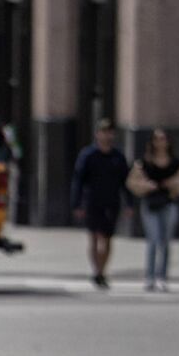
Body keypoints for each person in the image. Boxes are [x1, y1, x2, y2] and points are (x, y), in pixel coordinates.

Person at [126, 128, 179, 291]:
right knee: (153, 239)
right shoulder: (144, 162)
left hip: (169, 203)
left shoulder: (175, 163)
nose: (160, 142)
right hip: (151, 203)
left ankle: (162, 276)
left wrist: (172, 184)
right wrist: (146, 186)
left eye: (163, 139)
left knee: (166, 241)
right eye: (157, 139)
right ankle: (150, 276)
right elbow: (132, 182)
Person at [70, 118, 129, 288]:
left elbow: (125, 181)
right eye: (103, 132)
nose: (106, 135)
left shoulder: (118, 156)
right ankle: (96, 271)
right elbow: (78, 180)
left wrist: (129, 204)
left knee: (108, 238)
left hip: (111, 201)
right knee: (94, 237)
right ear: (97, 134)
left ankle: (103, 270)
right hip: (92, 201)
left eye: (109, 132)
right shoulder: (88, 155)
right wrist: (77, 204)